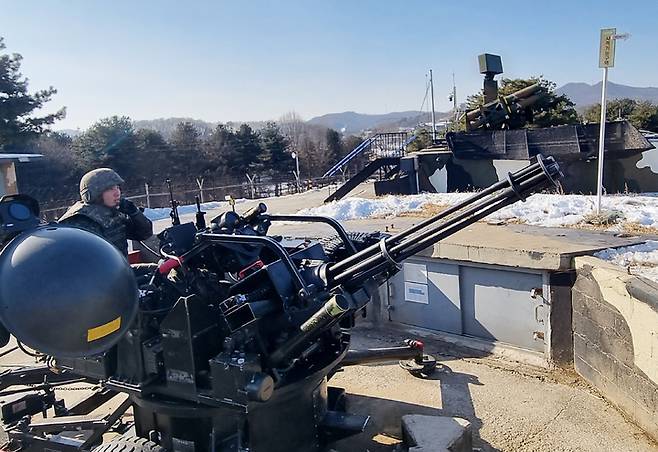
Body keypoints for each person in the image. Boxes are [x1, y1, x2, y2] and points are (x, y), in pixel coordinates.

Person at [58, 168, 153, 256]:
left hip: (120, 270)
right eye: (110, 189)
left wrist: (134, 213)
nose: (117, 193)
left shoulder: (112, 212)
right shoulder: (82, 221)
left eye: (117, 187)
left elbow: (144, 234)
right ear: (95, 193)